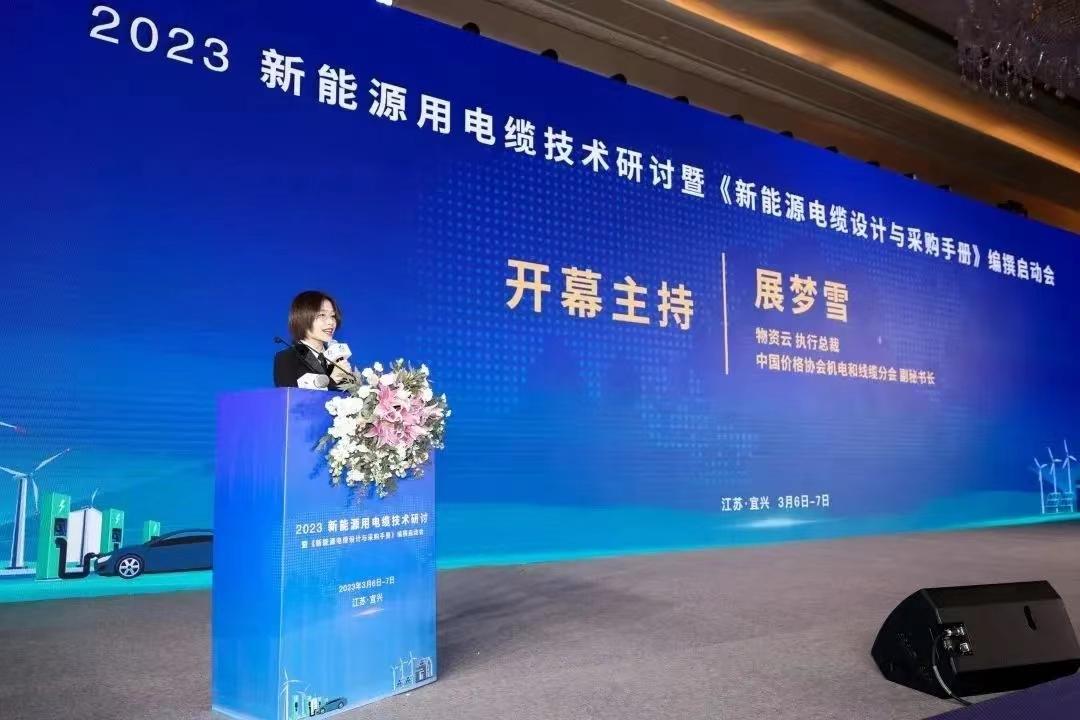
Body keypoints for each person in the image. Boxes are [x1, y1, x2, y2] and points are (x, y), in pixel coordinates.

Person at [273, 290, 352, 388]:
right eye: (322, 315)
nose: (331, 322)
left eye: (333, 316)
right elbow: (289, 396)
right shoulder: (287, 357)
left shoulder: (337, 358)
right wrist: (333, 380)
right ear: (302, 317)